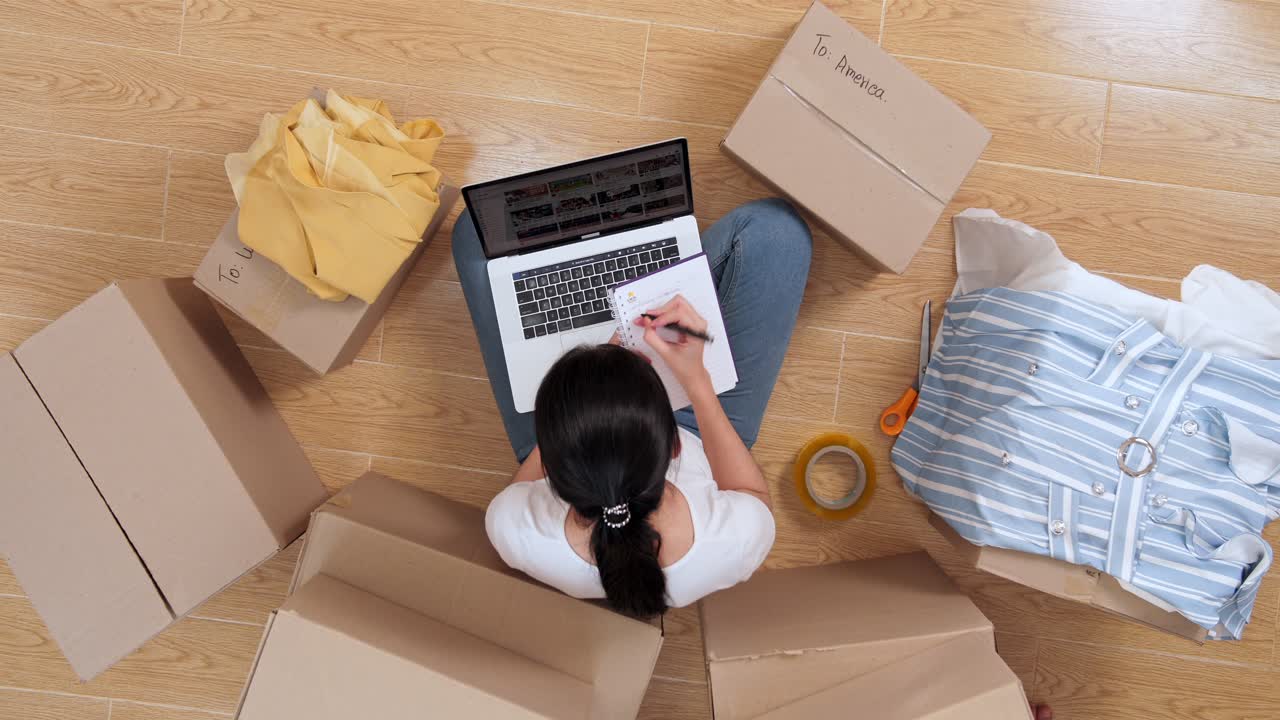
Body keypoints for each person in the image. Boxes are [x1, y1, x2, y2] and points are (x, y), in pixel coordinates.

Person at [453, 198, 812, 616]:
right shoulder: (734, 543)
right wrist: (697, 382)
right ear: (674, 448)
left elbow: (521, 487)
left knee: (474, 228)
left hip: (576, 442)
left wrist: (580, 408)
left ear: (551, 451)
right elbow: (750, 494)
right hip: (700, 429)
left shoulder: (512, 529)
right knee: (777, 232)